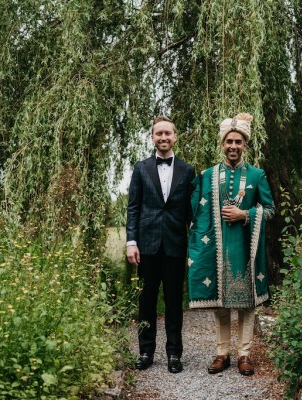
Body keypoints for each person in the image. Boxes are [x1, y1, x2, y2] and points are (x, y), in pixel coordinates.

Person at [187, 112, 275, 376]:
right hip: (216, 248)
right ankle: (222, 352)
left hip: (246, 248)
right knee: (220, 303)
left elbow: (270, 210)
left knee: (247, 303)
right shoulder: (207, 176)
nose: (233, 146)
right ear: (222, 144)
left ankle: (245, 354)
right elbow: (191, 208)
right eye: (229, 142)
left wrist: (245, 215)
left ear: (245, 145)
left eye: (238, 142)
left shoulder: (257, 175)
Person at [126, 115, 195, 373]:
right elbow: (133, 207)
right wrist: (131, 242)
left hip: (175, 245)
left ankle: (174, 353)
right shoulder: (140, 168)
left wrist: (198, 243)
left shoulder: (187, 171)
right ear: (153, 137)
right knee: (146, 300)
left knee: (175, 301)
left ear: (175, 136)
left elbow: (191, 212)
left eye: (168, 133)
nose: (163, 138)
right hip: (147, 245)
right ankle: (146, 351)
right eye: (159, 134)